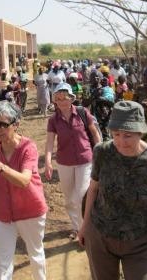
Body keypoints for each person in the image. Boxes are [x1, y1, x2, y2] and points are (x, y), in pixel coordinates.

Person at [78, 101, 147, 280]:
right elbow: (92, 191)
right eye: (116, 134)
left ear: (140, 132)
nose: (121, 142)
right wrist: (84, 226)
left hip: (138, 243)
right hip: (100, 237)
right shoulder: (102, 152)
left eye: (128, 135)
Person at [0, 101, 48, 280]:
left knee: (35, 255)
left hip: (30, 209)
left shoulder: (27, 147)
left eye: (3, 124)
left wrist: (0, 166)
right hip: (3, 213)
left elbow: (24, 180)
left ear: (16, 125)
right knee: (2, 261)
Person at [44, 83, 101, 240]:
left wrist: (100, 153)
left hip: (85, 159)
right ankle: (76, 228)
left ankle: (85, 229)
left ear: (71, 99)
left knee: (81, 195)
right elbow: (49, 142)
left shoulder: (83, 113)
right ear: (55, 100)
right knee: (69, 199)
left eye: (65, 98)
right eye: (58, 99)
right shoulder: (53, 120)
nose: (62, 102)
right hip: (64, 162)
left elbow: (95, 134)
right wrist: (48, 162)